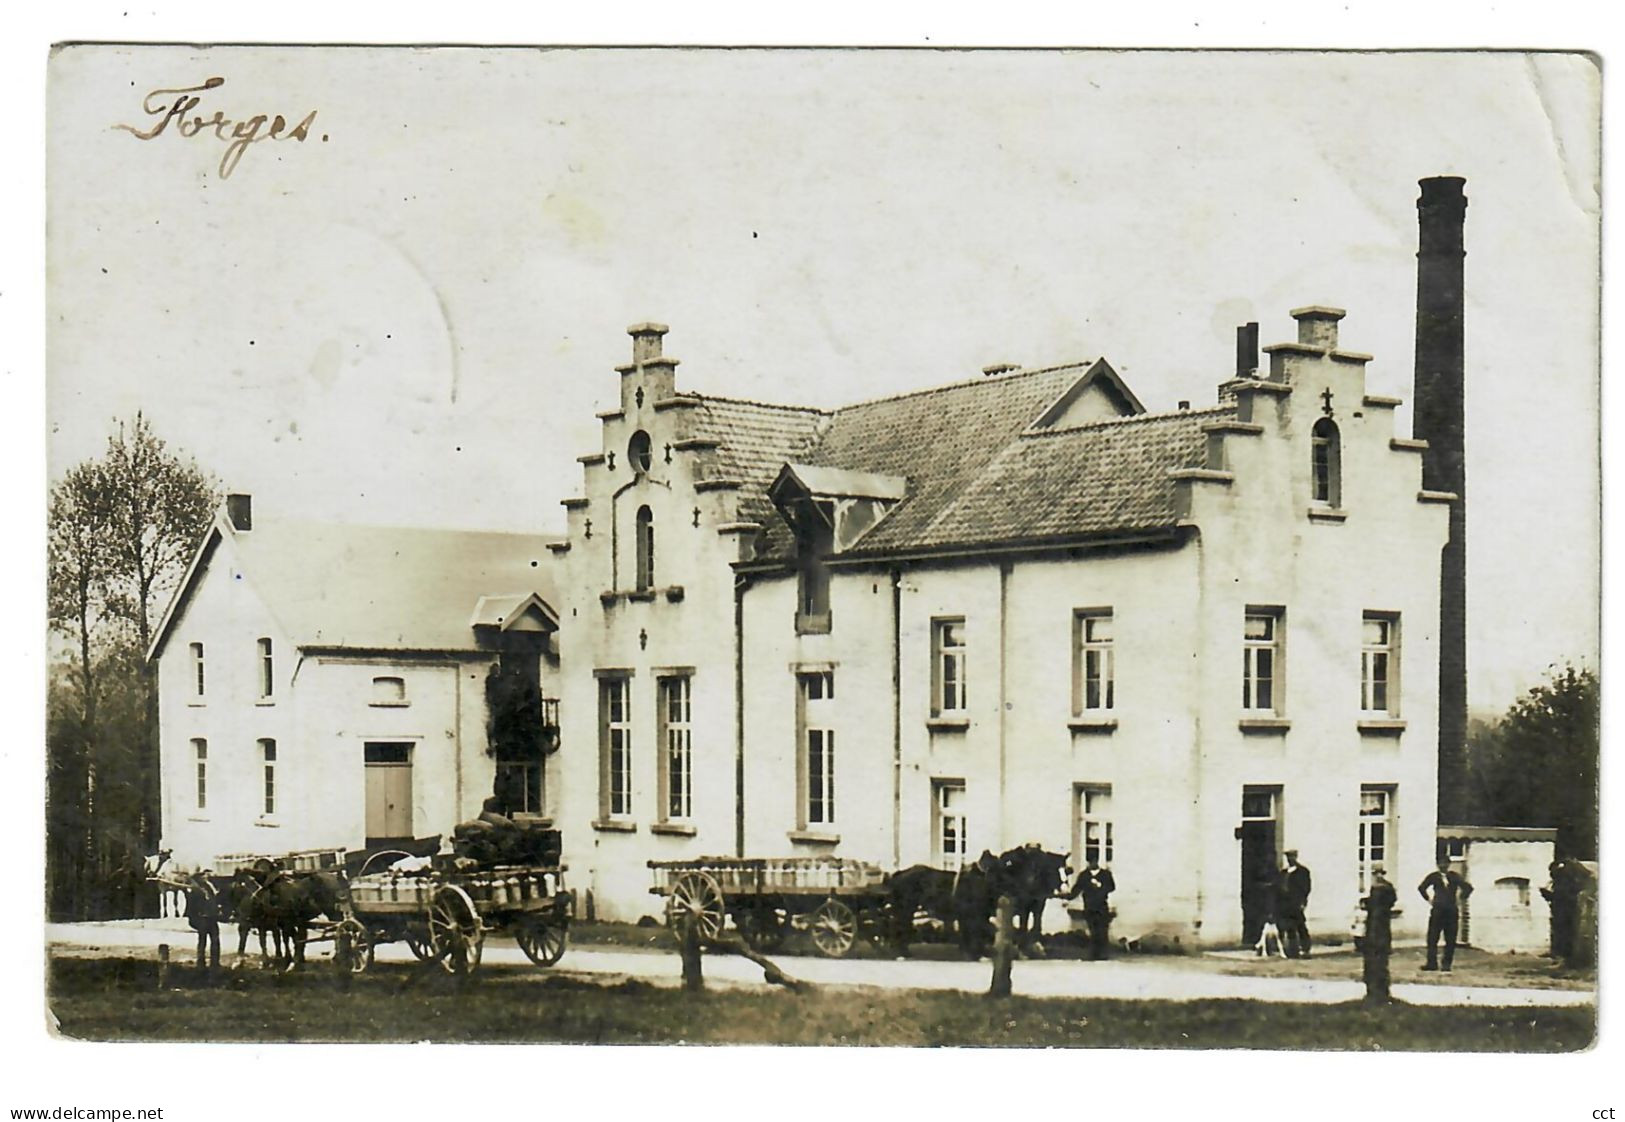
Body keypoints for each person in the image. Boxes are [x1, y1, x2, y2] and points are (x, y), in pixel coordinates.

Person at [1418, 856, 1473, 972]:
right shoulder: (1433, 877)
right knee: (1432, 938)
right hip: (1437, 910)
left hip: (1451, 911)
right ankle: (1431, 963)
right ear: (1437, 865)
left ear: (1449, 864)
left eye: (1445, 863)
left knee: (1450, 939)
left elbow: (1468, 888)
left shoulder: (1454, 876)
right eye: (1440, 863)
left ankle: (1446, 964)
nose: (1443, 866)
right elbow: (1421, 888)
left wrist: (1460, 899)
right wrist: (1429, 900)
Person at [1064, 857, 1116, 960]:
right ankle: (1094, 954)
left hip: (1101, 906)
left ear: (1097, 862)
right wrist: (1066, 897)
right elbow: (1077, 889)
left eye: (1094, 861)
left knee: (1102, 931)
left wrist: (1101, 886)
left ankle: (1103, 954)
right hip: (1089, 907)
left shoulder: (1105, 874)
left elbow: (1111, 887)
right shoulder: (1084, 875)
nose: (1092, 864)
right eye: (1090, 862)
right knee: (1093, 931)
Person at [1359, 865, 1397, 1003]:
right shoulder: (1381, 889)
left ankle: (1377, 991)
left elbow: (1379, 906)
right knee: (1376, 963)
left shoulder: (1381, 888)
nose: (1378, 876)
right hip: (1376, 931)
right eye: (1376, 873)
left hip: (1377, 932)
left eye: (1380, 873)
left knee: (1376, 963)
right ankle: (1377, 991)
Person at [185, 870, 223, 972]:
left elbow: (213, 901)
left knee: (215, 940)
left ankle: (215, 962)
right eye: (202, 876)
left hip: (212, 918)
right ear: (198, 878)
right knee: (203, 941)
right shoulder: (194, 890)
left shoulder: (208, 887)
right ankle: (201, 962)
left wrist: (217, 911)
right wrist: (196, 917)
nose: (205, 877)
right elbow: (191, 907)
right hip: (202, 918)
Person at [1277, 849, 1312, 958]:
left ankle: (1305, 948)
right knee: (1289, 927)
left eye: (1292, 857)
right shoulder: (1284, 872)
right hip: (1285, 904)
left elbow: (1306, 887)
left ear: (1296, 857)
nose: (1290, 859)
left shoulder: (1302, 872)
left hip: (1296, 903)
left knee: (1300, 925)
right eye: (1288, 857)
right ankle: (1292, 950)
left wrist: (1302, 901)